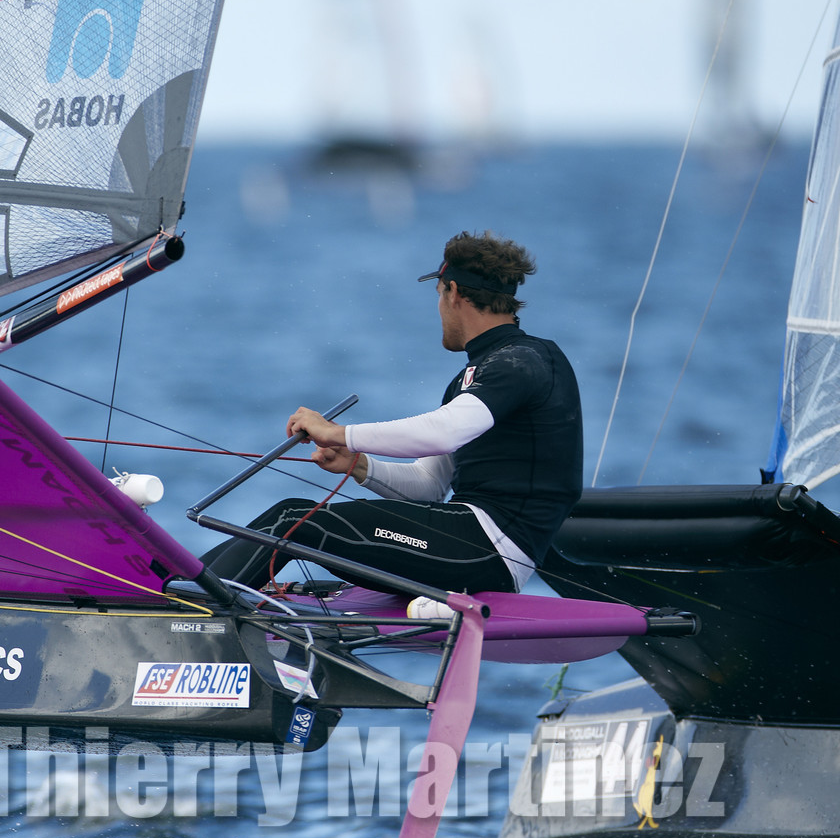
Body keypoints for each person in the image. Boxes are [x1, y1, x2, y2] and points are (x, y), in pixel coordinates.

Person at [201, 231, 582, 595]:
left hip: (489, 550)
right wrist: (360, 464)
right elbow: (430, 484)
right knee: (290, 518)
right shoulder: (477, 378)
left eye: (437, 294)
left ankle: (180, 602)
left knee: (291, 520)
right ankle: (173, 589)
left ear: (452, 293)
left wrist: (337, 432)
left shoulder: (523, 361)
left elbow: (443, 433)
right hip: (470, 543)